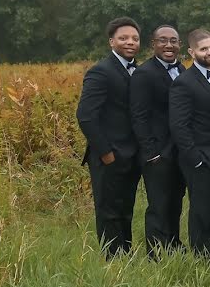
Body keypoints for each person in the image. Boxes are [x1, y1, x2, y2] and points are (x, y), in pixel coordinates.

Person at [76, 17, 143, 258]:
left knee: (126, 208)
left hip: (133, 154)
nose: (130, 42)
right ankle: (112, 260)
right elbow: (86, 116)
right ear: (111, 41)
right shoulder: (100, 72)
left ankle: (126, 252)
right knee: (109, 210)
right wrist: (105, 153)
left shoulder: (138, 69)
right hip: (109, 154)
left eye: (135, 38)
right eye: (124, 38)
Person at [169, 28, 210, 258]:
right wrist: (194, 158)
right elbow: (178, 125)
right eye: (204, 49)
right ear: (191, 52)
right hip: (200, 159)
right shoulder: (184, 83)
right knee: (201, 211)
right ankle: (200, 258)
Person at [129, 24, 187, 258]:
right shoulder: (144, 73)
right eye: (163, 40)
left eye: (173, 41)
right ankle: (156, 251)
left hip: (179, 150)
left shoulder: (182, 70)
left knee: (176, 199)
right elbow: (138, 115)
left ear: (179, 45)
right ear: (153, 44)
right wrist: (151, 151)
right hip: (157, 152)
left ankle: (173, 243)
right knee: (158, 203)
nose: (169, 45)